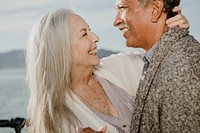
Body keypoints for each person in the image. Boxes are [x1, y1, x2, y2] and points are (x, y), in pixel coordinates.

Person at [26, 7, 189, 133]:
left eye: (90, 30)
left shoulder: (117, 66)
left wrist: (172, 33)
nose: (96, 37)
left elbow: (168, 62)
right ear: (60, 50)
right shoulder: (56, 119)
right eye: (84, 34)